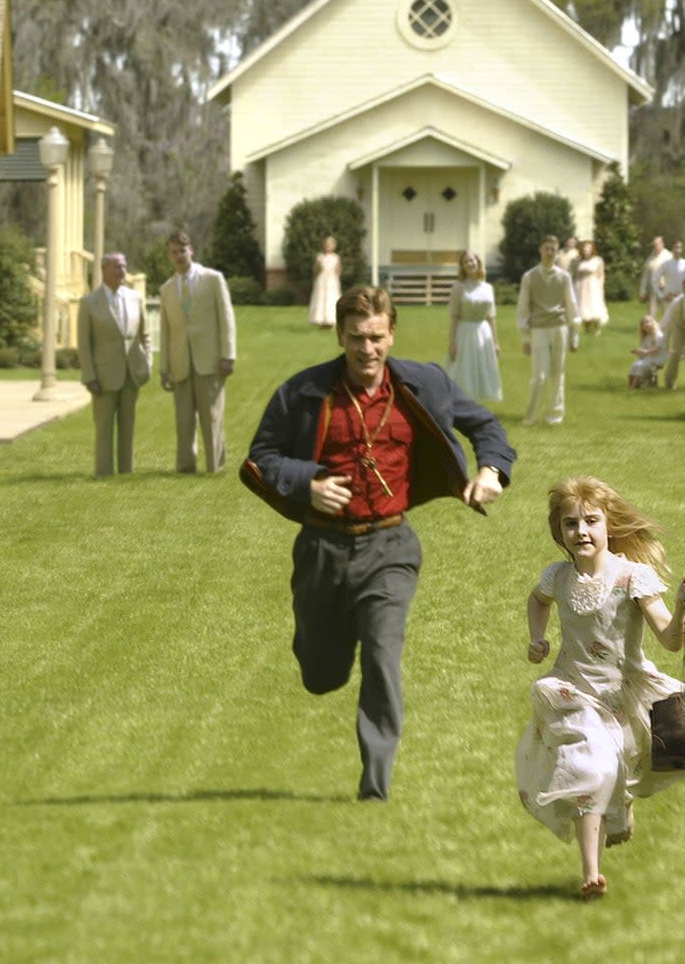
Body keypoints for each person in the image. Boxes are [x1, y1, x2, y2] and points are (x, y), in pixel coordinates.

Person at [245, 284, 515, 801]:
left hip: (390, 547)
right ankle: (319, 650)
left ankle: (375, 784)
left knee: (382, 654)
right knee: (322, 674)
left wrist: (491, 470)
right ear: (339, 336)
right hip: (323, 549)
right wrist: (308, 483)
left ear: (392, 334)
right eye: (355, 339)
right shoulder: (303, 393)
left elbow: (486, 425)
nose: (366, 350)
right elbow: (262, 456)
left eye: (376, 338)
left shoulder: (425, 383)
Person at [515, 477, 685, 901]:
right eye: (570, 524)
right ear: (559, 532)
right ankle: (591, 873)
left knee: (623, 762)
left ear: (608, 525)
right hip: (572, 690)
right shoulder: (557, 576)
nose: (581, 532)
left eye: (591, 521)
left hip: (624, 689)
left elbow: (670, 641)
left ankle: (622, 807)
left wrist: (684, 606)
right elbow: (537, 600)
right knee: (589, 766)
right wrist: (538, 637)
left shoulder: (633, 576)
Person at [159, 229, 236, 473]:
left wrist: (228, 355)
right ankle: (185, 466)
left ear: (190, 250)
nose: (179, 256)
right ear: (169, 256)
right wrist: (164, 368)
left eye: (182, 250)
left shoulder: (213, 279)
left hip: (210, 361)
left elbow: (227, 320)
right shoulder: (167, 289)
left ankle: (215, 466)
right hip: (180, 363)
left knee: (211, 417)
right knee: (183, 421)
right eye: (174, 252)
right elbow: (165, 332)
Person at [77, 251, 152, 476]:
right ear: (104, 270)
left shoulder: (135, 297)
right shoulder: (89, 302)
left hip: (132, 373)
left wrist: (146, 362)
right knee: (104, 427)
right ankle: (104, 471)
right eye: (117, 267)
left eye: (124, 266)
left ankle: (126, 471)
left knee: (128, 426)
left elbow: (145, 335)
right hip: (103, 376)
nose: (122, 271)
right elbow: (84, 344)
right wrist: (89, 376)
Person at [517, 236, 580, 425]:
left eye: (553, 249)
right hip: (538, 329)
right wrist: (524, 337)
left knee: (558, 372)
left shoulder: (564, 277)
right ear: (540, 250)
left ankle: (554, 416)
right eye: (547, 248)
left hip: (560, 327)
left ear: (558, 251)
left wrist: (574, 334)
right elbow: (523, 308)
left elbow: (572, 306)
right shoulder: (529, 277)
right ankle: (530, 416)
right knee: (539, 375)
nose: (550, 252)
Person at [446, 250, 502, 402]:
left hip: (484, 333)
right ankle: (462, 403)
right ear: (462, 267)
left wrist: (496, 343)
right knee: (464, 370)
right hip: (465, 332)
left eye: (472, 260)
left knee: (481, 370)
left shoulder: (488, 288)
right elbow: (454, 316)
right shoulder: (458, 287)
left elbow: (491, 316)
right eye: (466, 262)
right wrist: (452, 343)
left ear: (478, 262)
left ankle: (478, 405)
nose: (470, 264)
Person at [573, 239, 609, 335]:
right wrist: (575, 285)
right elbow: (576, 275)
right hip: (582, 286)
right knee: (583, 306)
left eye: (588, 249)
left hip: (593, 285)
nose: (586, 251)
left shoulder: (598, 260)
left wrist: (600, 286)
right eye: (584, 249)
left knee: (594, 305)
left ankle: (597, 329)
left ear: (592, 250)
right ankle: (587, 329)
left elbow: (601, 275)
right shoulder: (579, 261)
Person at [307, 235, 342, 328]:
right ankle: (320, 319)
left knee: (331, 298)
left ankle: (331, 319)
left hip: (332, 281)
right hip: (322, 280)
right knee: (321, 298)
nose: (328, 246)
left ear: (334, 246)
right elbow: (315, 269)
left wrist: (336, 280)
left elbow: (338, 270)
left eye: (330, 245)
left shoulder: (336, 257)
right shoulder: (320, 257)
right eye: (326, 244)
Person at [627, 316, 665, 388]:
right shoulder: (647, 337)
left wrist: (645, 352)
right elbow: (643, 349)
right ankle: (631, 385)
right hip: (647, 358)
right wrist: (638, 352)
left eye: (648, 322)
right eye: (643, 324)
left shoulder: (658, 335)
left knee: (641, 367)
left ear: (653, 323)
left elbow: (657, 348)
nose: (646, 324)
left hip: (657, 358)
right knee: (634, 366)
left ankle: (633, 387)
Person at [655, 239, 685, 308]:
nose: (678, 250)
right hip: (669, 299)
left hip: (683, 298)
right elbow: (654, 279)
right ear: (672, 249)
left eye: (679, 247)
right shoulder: (666, 264)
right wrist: (661, 295)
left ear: (682, 249)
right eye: (676, 247)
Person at [638, 236, 669, 305]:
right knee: (651, 313)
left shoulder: (668, 256)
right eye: (654, 245)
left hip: (665, 288)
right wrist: (642, 291)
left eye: (657, 244)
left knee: (667, 311)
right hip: (653, 289)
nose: (656, 246)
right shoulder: (650, 257)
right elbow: (645, 275)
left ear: (662, 244)